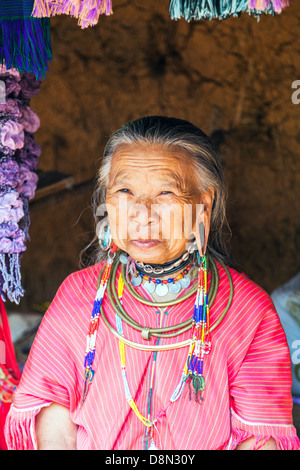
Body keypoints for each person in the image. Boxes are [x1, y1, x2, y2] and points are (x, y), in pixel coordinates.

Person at [4, 116, 300, 450]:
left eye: (165, 192)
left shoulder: (247, 311)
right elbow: (53, 421)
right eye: (125, 191)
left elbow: (260, 442)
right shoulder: (79, 295)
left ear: (203, 205)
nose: (142, 212)